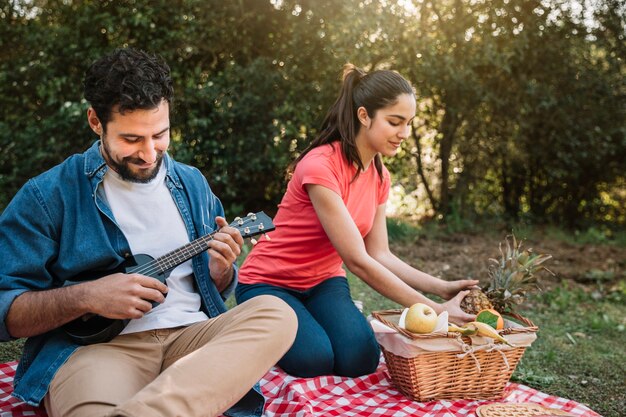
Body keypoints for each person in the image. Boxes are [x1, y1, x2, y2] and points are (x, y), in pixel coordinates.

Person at [0, 48, 297, 417]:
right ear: (95, 121)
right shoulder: (48, 196)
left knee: (276, 313)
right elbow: (5, 311)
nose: (149, 153)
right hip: (100, 353)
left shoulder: (192, 183)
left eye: (160, 134)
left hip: (192, 342)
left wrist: (220, 271)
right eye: (131, 139)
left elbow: (214, 286)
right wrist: (87, 297)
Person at [235, 64, 478, 378]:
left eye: (408, 123)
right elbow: (357, 260)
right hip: (268, 284)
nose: (403, 133)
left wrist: (442, 288)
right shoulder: (320, 166)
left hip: (323, 283)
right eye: (394, 122)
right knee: (315, 360)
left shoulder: (379, 176)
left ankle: (307, 320)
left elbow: (380, 254)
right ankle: (256, 324)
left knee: (361, 357)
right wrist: (437, 312)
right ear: (364, 116)